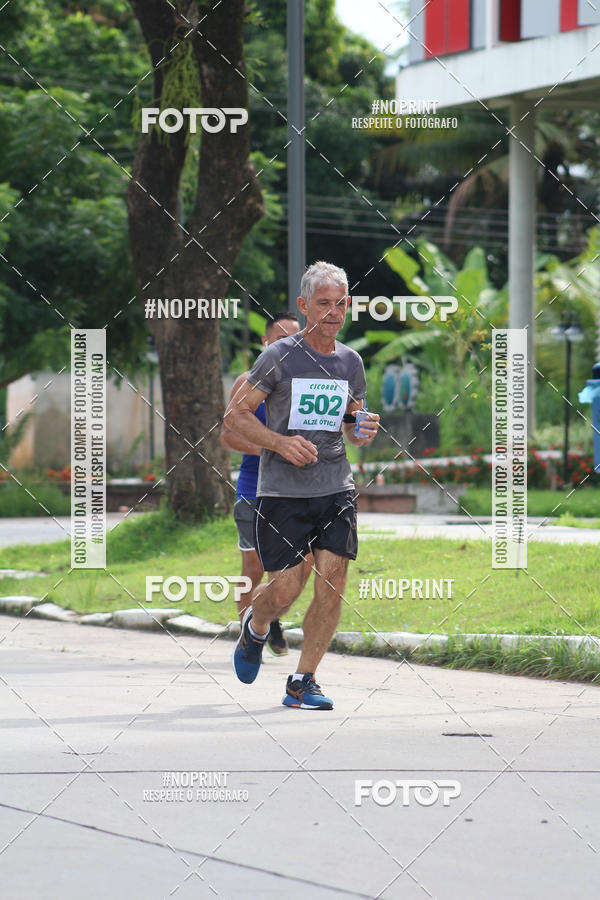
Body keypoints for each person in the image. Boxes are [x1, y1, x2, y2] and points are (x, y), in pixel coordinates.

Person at [225, 261, 379, 709]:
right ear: (304, 305)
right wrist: (278, 442)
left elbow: (351, 423)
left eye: (340, 304)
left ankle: (303, 681)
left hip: (334, 486)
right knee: (288, 587)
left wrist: (360, 429)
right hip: (282, 492)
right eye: (323, 304)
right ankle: (256, 624)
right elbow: (233, 416)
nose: (333, 312)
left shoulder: (351, 362)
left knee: (333, 579)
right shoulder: (278, 356)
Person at [220, 312, 313, 656]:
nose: (286, 347)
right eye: (279, 340)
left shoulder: (305, 385)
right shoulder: (247, 382)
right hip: (253, 490)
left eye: (294, 341)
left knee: (297, 568)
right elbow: (227, 435)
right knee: (253, 567)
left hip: (296, 492)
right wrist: (272, 447)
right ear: (265, 343)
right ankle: (249, 643)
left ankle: (267, 616)